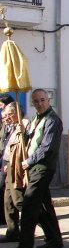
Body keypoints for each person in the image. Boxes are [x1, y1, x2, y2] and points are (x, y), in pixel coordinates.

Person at [7, 89, 63, 248]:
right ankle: (54, 238)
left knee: (30, 204)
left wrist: (28, 161)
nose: (39, 103)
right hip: (34, 167)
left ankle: (25, 247)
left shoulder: (53, 120)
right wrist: (22, 132)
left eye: (42, 100)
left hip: (43, 168)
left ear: (48, 100)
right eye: (36, 101)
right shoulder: (35, 120)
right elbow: (30, 141)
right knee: (44, 205)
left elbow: (47, 147)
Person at [0, 103, 29, 243]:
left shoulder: (23, 125)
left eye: (10, 114)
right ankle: (12, 232)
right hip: (8, 165)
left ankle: (44, 223)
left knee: (19, 201)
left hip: (15, 168)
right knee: (8, 201)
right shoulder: (10, 127)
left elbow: (21, 149)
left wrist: (12, 164)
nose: (7, 117)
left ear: (17, 113)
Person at [0, 93, 15, 225]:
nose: (5, 118)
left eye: (8, 116)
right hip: (4, 160)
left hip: (10, 163)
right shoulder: (6, 126)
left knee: (15, 197)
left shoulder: (19, 127)